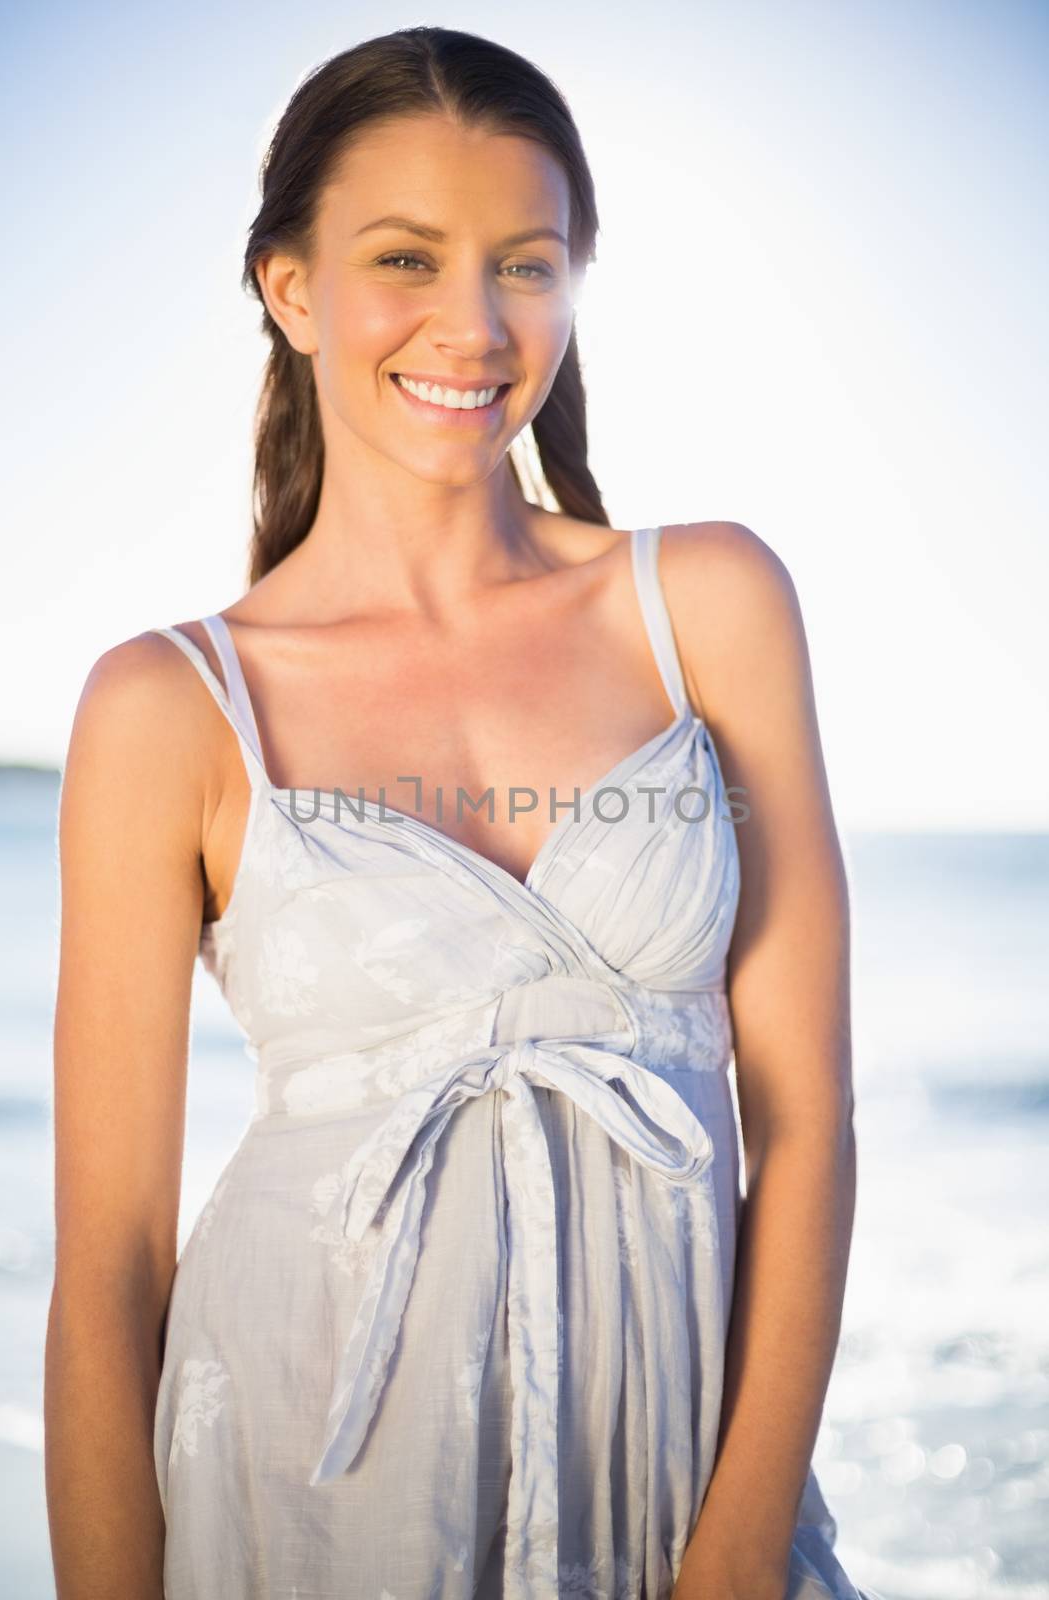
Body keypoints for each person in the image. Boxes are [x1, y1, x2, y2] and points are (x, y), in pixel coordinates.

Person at [45, 25, 881, 1600]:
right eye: (406, 259)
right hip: (308, 1491)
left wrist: (735, 1555)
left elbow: (811, 1126)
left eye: (527, 264)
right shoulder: (168, 708)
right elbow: (109, 1271)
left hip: (684, 1478)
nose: (474, 324)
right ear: (291, 290)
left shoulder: (706, 603)